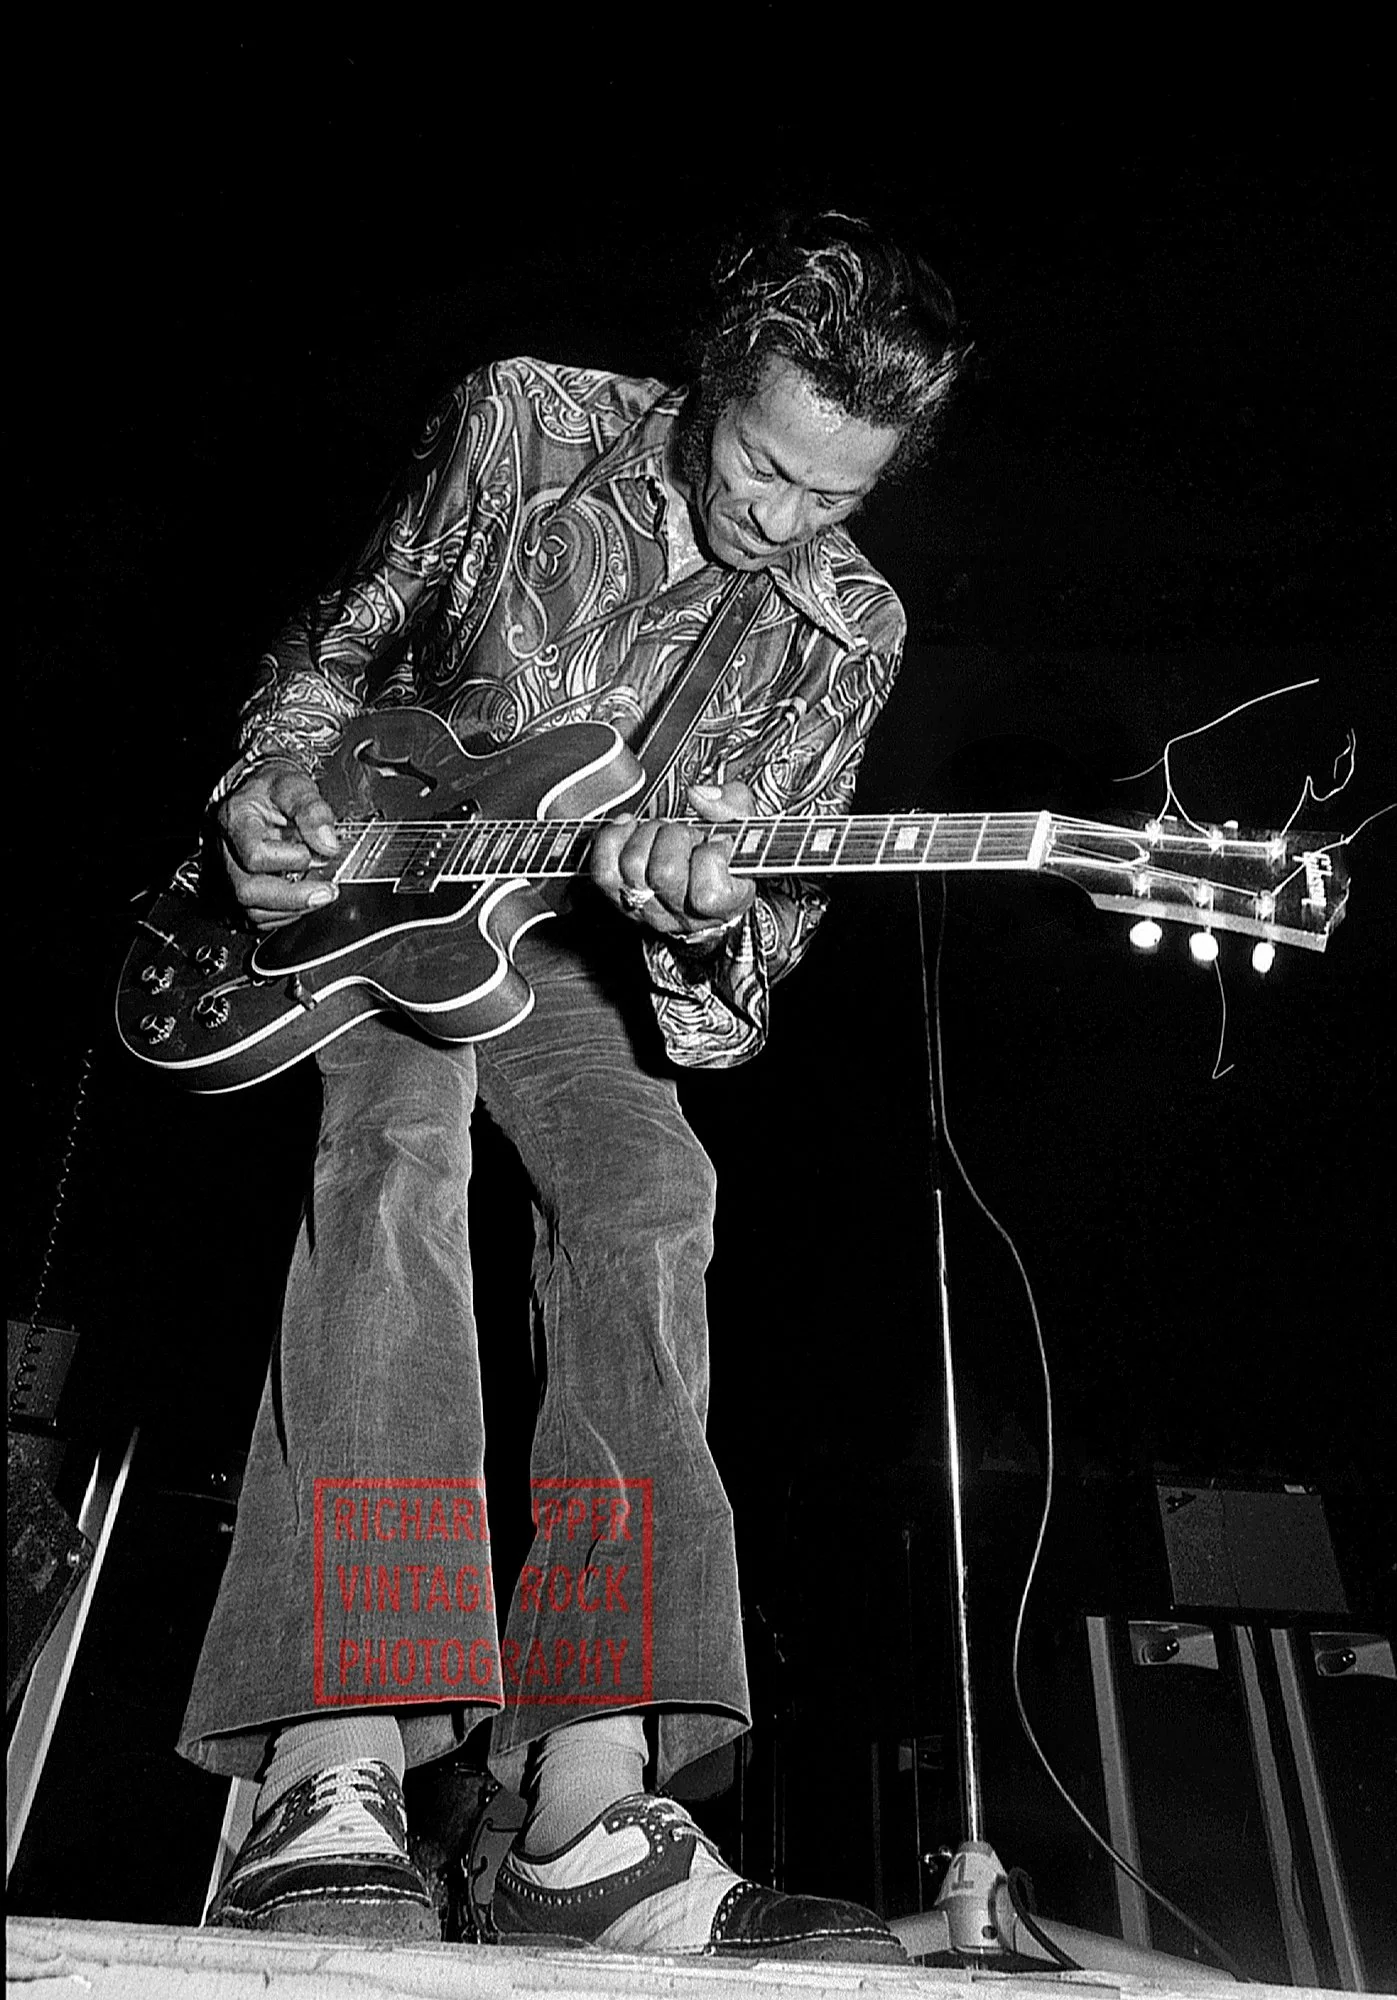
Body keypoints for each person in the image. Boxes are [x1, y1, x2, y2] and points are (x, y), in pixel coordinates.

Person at [183, 211, 963, 1961]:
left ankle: (588, 1807)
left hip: (572, 954)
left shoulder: (843, 630)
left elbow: (741, 999)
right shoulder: (524, 423)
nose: (786, 523)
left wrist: (703, 925)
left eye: (837, 499)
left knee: (654, 1197)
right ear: (711, 383)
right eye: (767, 466)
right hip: (379, 881)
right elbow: (344, 635)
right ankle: (336, 1757)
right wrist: (265, 784)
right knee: (396, 1148)